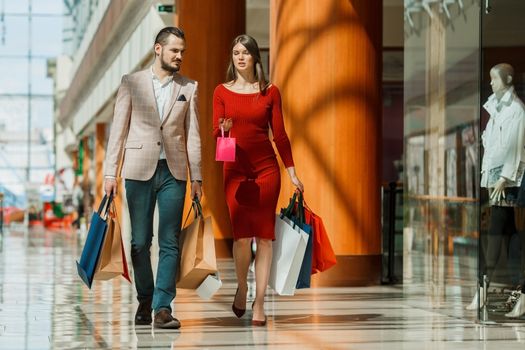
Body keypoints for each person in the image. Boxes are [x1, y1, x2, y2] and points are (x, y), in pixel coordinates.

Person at [104, 26, 202, 329]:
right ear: (158, 49)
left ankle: (162, 307)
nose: (180, 56)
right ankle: (144, 298)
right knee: (139, 242)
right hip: (137, 170)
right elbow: (118, 131)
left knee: (170, 241)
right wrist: (111, 172)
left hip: (174, 172)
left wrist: (197, 177)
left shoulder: (189, 87)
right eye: (175, 50)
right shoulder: (131, 83)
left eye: (182, 51)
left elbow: (193, 136)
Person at [212, 34, 304, 326]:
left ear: (255, 58)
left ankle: (261, 302)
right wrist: (224, 131)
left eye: (246, 53)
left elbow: (280, 135)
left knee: (265, 239)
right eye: (236, 52)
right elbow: (217, 138)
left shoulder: (270, 92)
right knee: (241, 239)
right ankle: (242, 287)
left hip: (266, 171)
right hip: (235, 172)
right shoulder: (221, 92)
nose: (240, 57)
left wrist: (291, 171)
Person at [470, 63, 525, 318]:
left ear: (508, 79)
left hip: (507, 182)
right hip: (495, 179)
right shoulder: (496, 107)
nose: (491, 83)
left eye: (495, 79)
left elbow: (516, 146)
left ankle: (485, 287)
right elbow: (491, 143)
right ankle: (516, 291)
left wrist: (504, 177)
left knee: (495, 234)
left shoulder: (516, 110)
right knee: (507, 234)